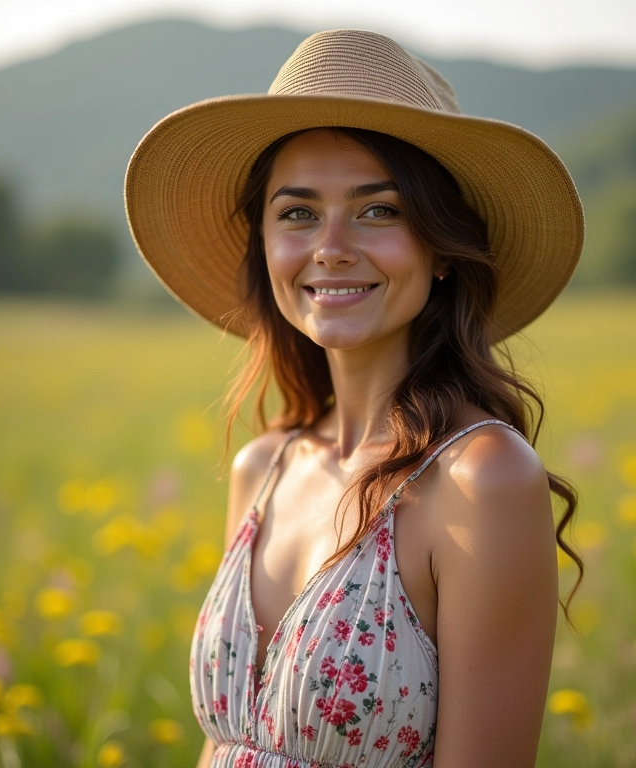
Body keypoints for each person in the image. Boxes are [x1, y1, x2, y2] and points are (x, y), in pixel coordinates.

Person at [125, 29, 584, 768]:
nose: (330, 246)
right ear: (265, 247)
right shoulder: (262, 466)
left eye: (379, 210)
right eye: (298, 213)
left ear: (441, 249)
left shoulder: (482, 481)